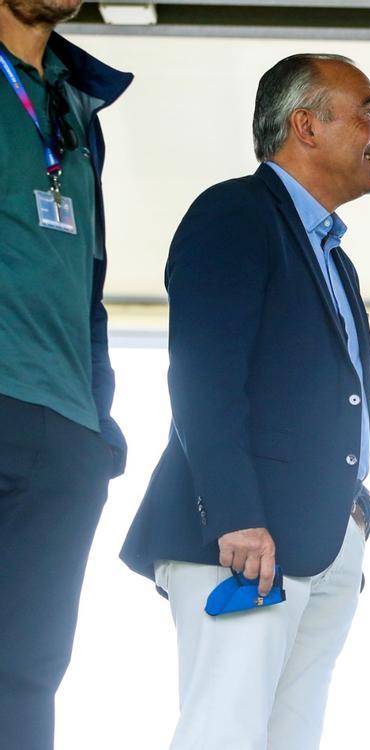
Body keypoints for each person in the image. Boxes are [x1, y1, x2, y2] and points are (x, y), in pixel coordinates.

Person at [119, 53, 370, 750]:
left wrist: (353, 508)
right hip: (245, 538)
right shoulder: (236, 213)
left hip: (320, 541)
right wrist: (236, 513)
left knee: (288, 738)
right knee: (225, 734)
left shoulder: (332, 254)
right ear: (305, 124)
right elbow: (203, 375)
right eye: (366, 111)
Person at [0, 1, 131, 747]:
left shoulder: (74, 103)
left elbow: (89, 280)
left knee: (29, 675)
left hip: (63, 432)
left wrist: (97, 421)